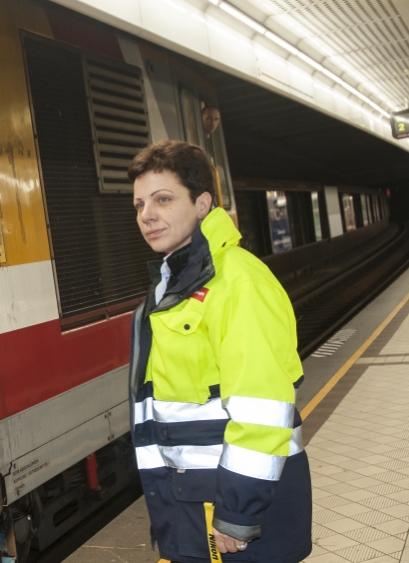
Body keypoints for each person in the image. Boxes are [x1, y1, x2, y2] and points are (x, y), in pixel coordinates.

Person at [128, 140, 311, 563]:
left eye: (163, 199)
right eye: (139, 205)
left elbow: (262, 407)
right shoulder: (175, 285)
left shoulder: (237, 283)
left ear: (203, 203)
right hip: (194, 500)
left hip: (236, 508)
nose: (147, 215)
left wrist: (237, 513)